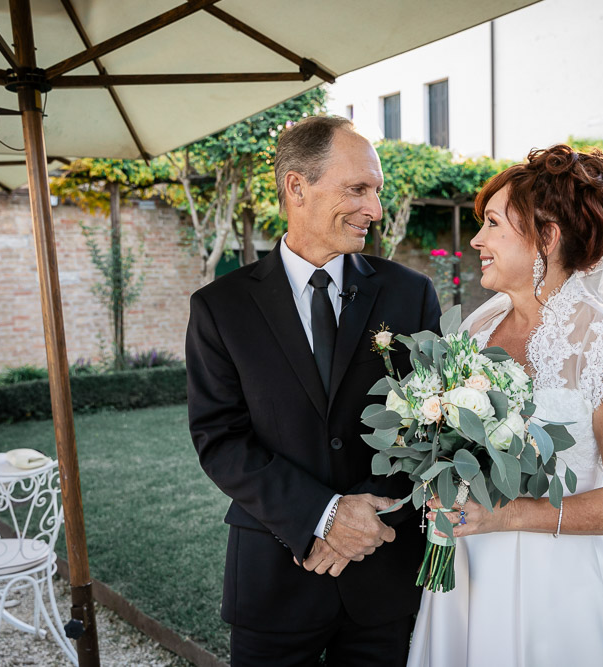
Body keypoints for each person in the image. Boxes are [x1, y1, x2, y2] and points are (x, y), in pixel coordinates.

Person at [407, 144, 603, 667]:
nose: (477, 240)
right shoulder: (476, 328)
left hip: (556, 593)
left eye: (492, 224)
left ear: (546, 238)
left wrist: (506, 517)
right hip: (464, 575)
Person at [186, 115, 441, 666]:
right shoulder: (220, 308)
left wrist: (365, 521)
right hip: (274, 580)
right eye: (358, 188)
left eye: (376, 190)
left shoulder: (410, 295)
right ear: (297, 187)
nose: (374, 208)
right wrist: (323, 516)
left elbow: (430, 424)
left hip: (385, 576)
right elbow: (219, 439)